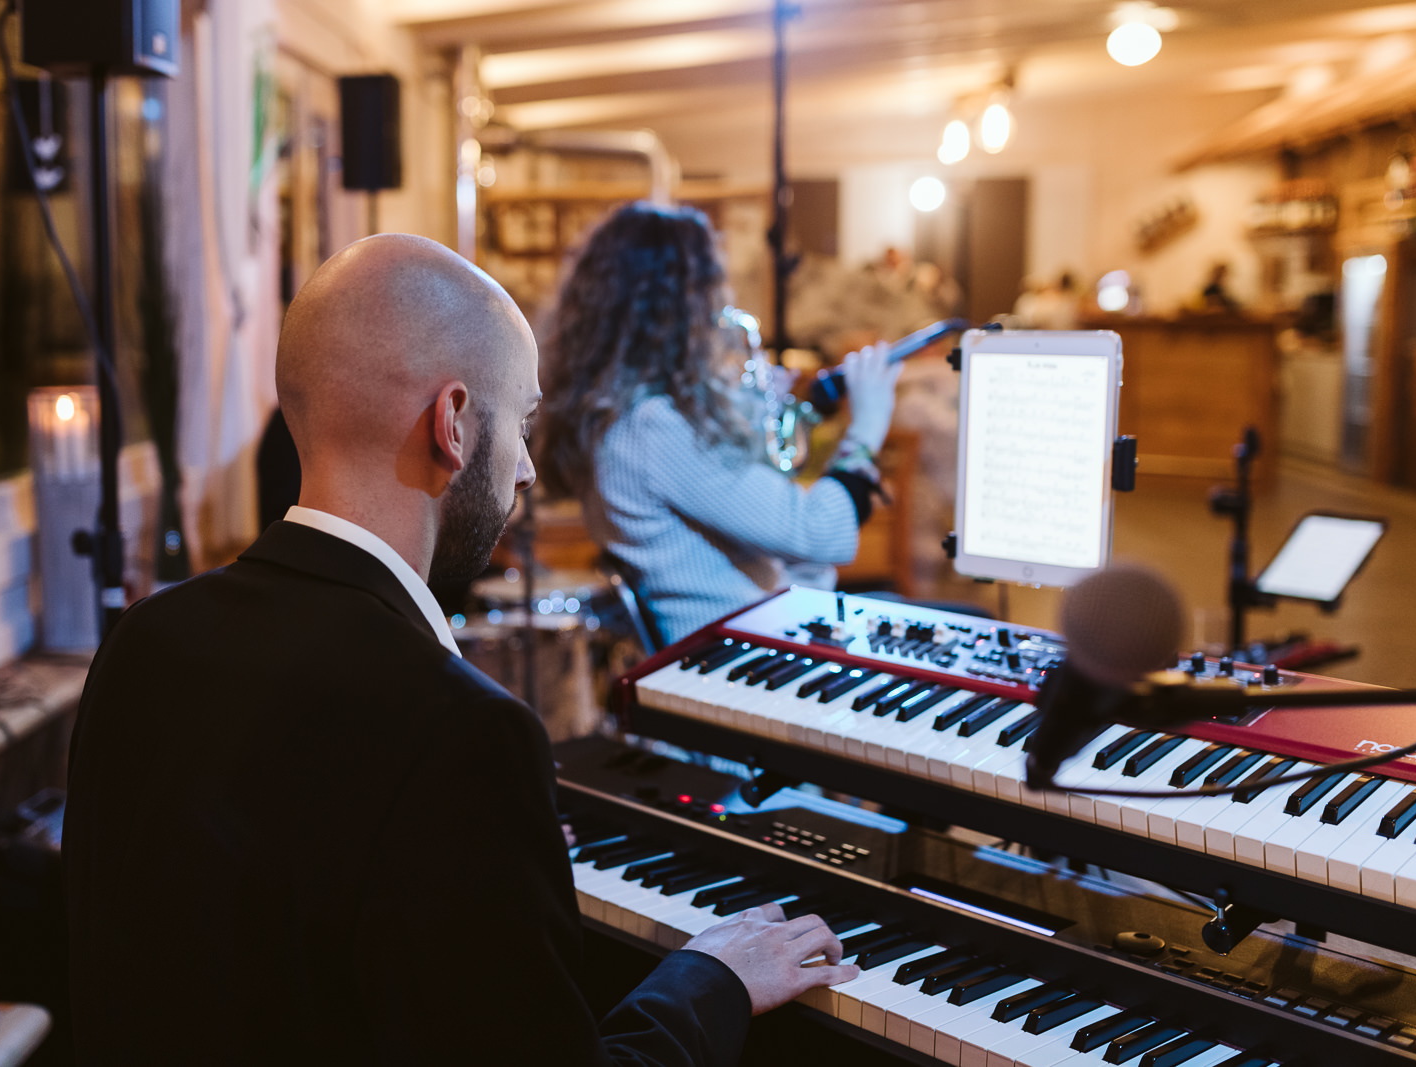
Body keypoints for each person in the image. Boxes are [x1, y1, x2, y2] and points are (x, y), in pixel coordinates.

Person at [64, 233, 858, 1065]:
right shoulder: (463, 732)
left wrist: (492, 864)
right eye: (521, 423)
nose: (525, 469)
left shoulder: (144, 642)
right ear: (452, 423)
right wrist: (709, 979)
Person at [538, 203, 903, 645]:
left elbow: (752, 504)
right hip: (742, 654)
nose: (721, 304)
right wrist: (867, 427)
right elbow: (818, 532)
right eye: (713, 285)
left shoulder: (620, 412)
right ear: (678, 305)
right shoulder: (652, 427)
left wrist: (756, 414)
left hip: (753, 635)